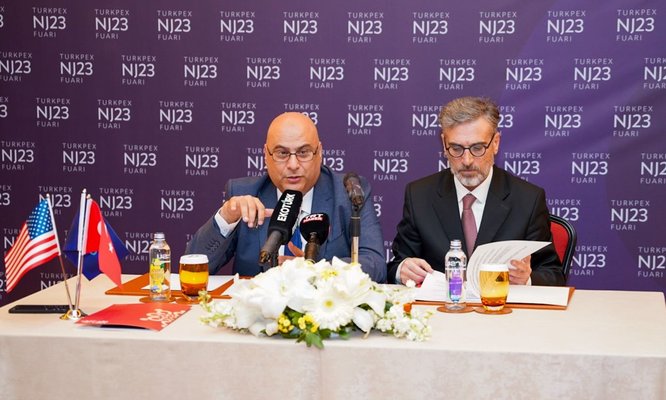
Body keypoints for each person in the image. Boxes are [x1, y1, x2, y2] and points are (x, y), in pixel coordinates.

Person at [186, 112, 387, 283]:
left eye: (303, 152)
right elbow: (193, 267)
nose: (293, 165)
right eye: (282, 153)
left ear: (319, 153)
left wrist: (314, 272)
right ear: (266, 155)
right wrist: (226, 218)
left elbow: (375, 264)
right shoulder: (244, 193)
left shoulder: (348, 193)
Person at [388, 96, 565, 286]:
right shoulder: (419, 196)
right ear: (444, 144)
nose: (467, 160)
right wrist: (402, 270)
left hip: (501, 304)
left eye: (478, 148)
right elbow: (396, 265)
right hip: (441, 304)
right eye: (456, 148)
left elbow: (553, 275)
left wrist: (526, 279)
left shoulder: (528, 199)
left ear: (495, 143)